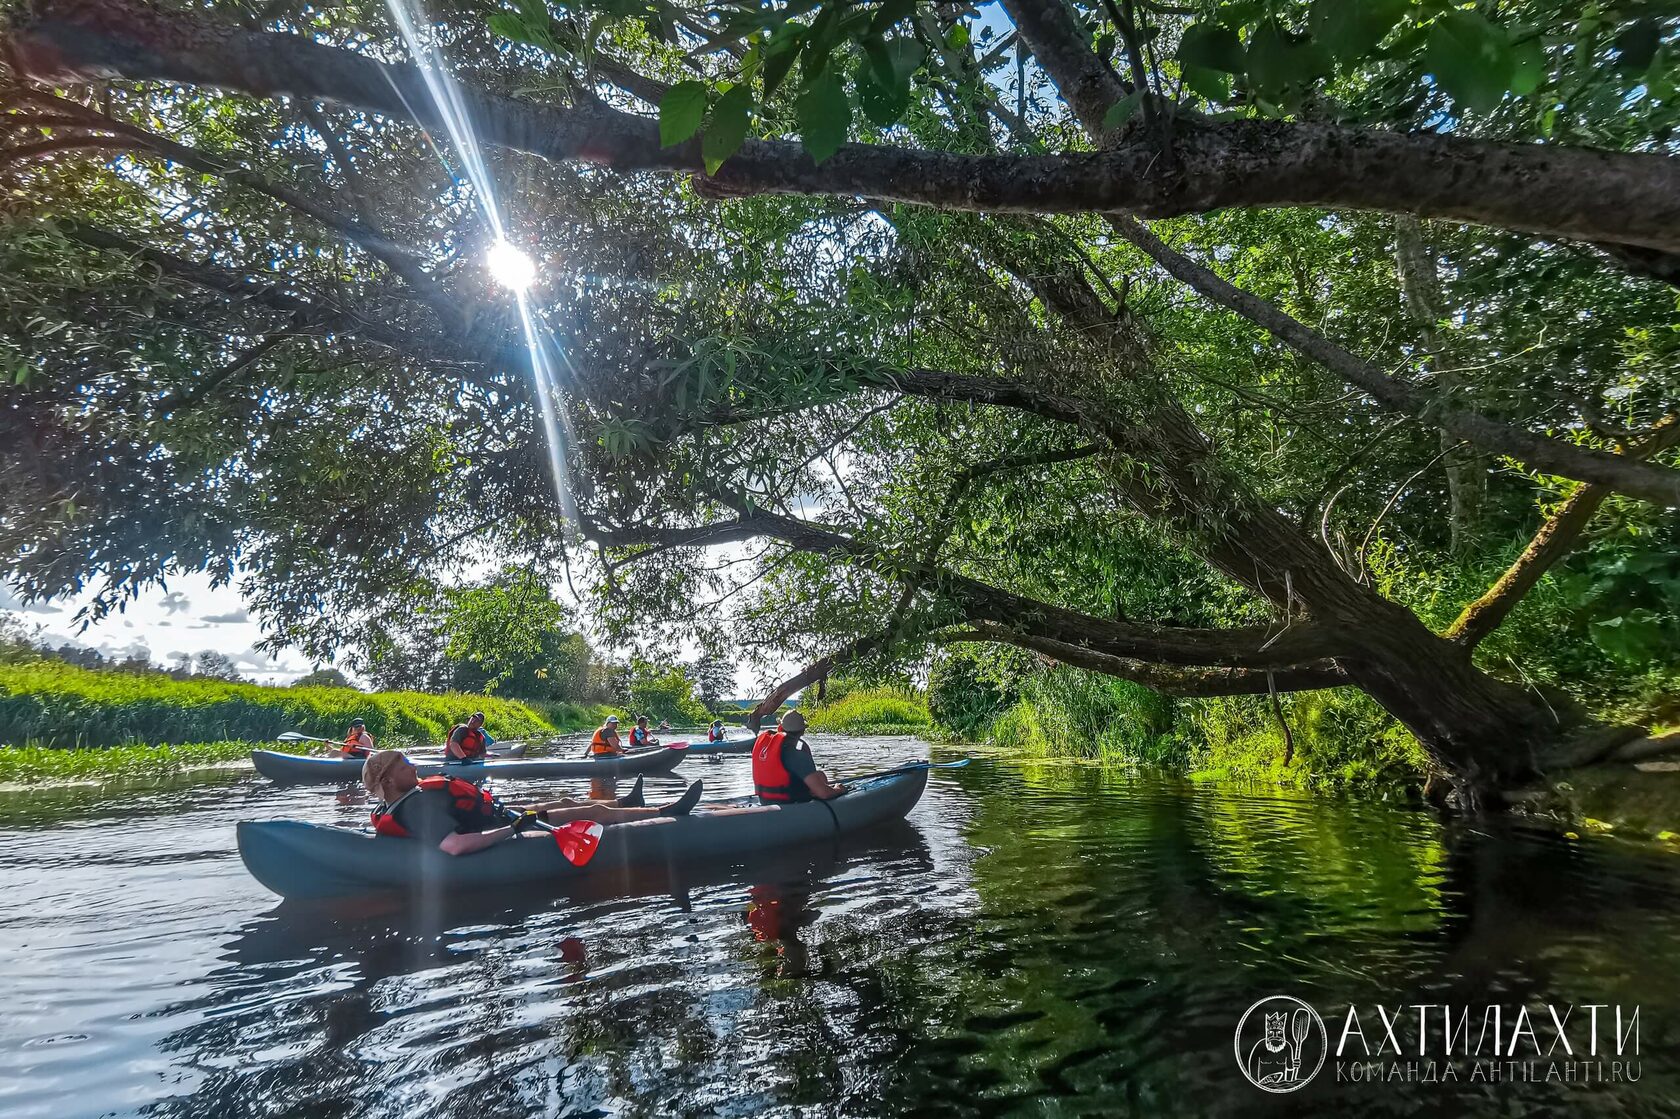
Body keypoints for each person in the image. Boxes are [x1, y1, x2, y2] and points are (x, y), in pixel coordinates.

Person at [361, 750, 702, 855]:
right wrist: (512, 829)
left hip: (500, 817)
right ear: (388, 781)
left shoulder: (393, 806)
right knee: (594, 811)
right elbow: (454, 846)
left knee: (571, 800)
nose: (414, 766)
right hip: (503, 825)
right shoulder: (416, 805)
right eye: (406, 765)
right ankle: (665, 812)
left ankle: (631, 803)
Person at [752, 710, 847, 804]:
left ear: (780, 727)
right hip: (788, 803)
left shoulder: (767, 746)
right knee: (820, 779)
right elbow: (824, 794)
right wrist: (838, 790)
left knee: (820, 775)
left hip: (764, 800)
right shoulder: (796, 754)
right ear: (802, 731)